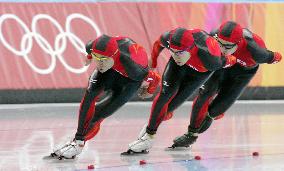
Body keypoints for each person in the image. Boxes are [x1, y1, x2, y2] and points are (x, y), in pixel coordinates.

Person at [124, 27, 237, 154]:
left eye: (179, 52)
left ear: (191, 48)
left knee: (169, 108)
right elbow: (158, 44)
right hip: (177, 68)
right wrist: (154, 62)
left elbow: (229, 61)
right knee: (165, 94)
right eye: (172, 51)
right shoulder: (169, 38)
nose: (175, 55)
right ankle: (148, 137)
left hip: (198, 74)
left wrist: (233, 60)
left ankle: (153, 127)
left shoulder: (211, 57)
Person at [171, 21, 282, 148]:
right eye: (220, 44)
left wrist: (274, 57)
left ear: (239, 43)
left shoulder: (257, 51)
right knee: (205, 93)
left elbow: (277, 57)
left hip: (242, 74)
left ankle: (206, 120)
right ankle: (191, 135)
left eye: (228, 47)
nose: (222, 49)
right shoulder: (212, 36)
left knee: (214, 111)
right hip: (222, 66)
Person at [51, 34, 161, 159]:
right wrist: (89, 56)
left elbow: (155, 78)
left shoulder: (135, 68)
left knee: (98, 114)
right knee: (89, 98)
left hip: (129, 80)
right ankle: (77, 141)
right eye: (96, 58)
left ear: (113, 56)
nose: (99, 63)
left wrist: (150, 90)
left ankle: (78, 144)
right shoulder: (92, 48)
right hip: (110, 71)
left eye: (103, 59)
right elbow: (99, 59)